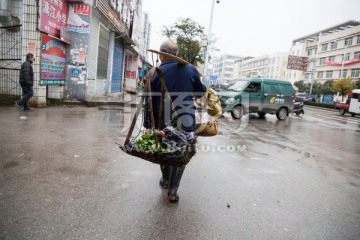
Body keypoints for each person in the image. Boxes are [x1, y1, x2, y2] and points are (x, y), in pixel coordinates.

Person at [144, 40, 206, 203]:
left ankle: (165, 180)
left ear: (162, 55)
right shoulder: (191, 69)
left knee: (164, 150)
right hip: (184, 119)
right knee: (181, 152)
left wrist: (148, 125)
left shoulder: (155, 71)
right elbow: (200, 93)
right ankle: (172, 191)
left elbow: (148, 100)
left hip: (162, 120)